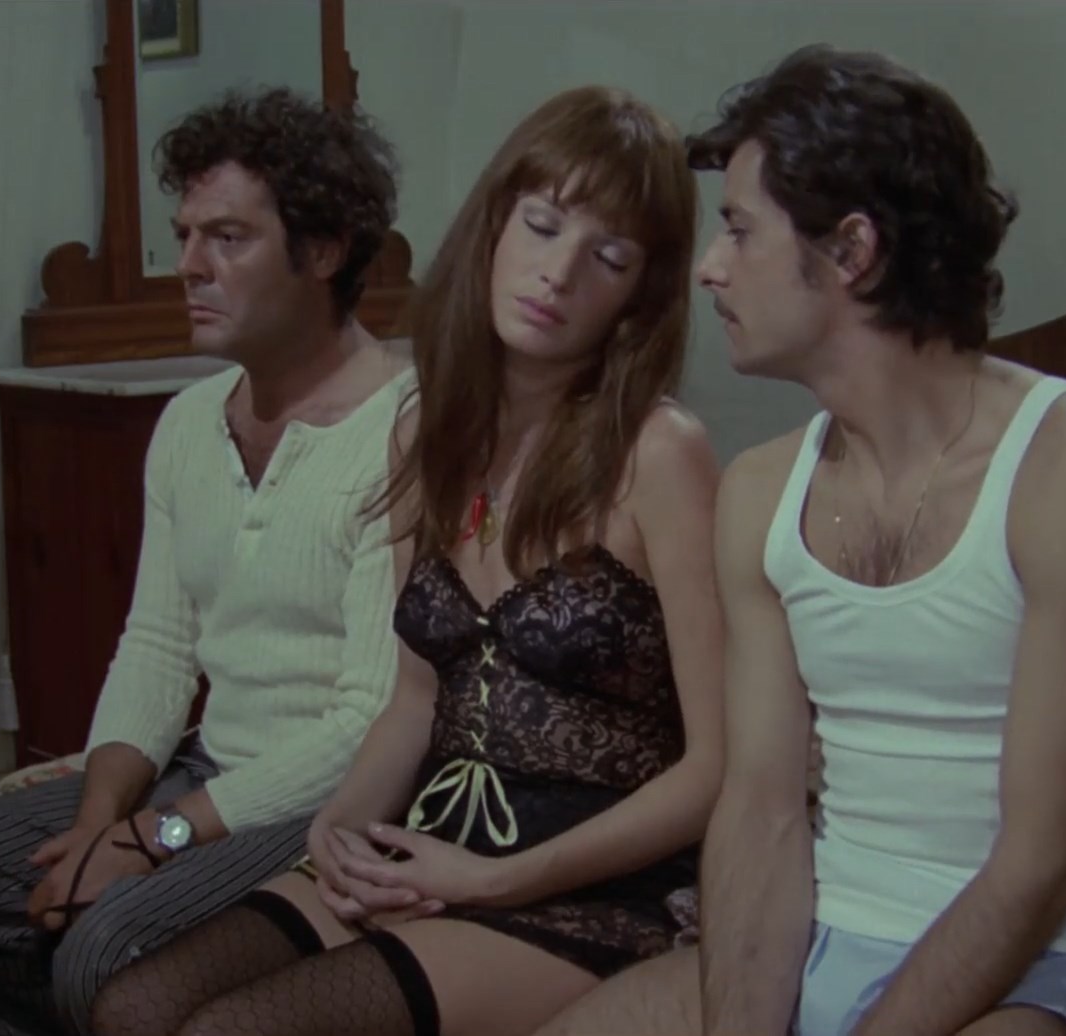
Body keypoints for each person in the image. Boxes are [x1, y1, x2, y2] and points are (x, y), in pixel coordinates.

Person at [537, 45, 1066, 1036]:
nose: (709, 268)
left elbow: (1040, 861)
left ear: (851, 251)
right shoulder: (760, 492)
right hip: (822, 943)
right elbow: (761, 807)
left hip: (1037, 974)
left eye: (739, 229)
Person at [84, 83, 725, 1036]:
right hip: (425, 837)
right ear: (495, 225)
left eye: (609, 257)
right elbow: (413, 701)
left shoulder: (661, 454)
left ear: (641, 292)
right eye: (542, 226)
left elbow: (717, 764)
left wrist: (501, 878)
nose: (557, 274)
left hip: (582, 883)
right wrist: (340, 822)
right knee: (132, 1008)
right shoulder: (427, 430)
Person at [0, 87, 414, 1036]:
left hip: (328, 799)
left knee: (104, 948)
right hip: (207, 767)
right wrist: (98, 820)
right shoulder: (189, 424)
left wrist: (158, 835)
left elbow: (365, 725)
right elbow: (159, 644)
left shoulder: (404, 429)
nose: (190, 267)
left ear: (325, 252)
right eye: (184, 236)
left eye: (228, 239)